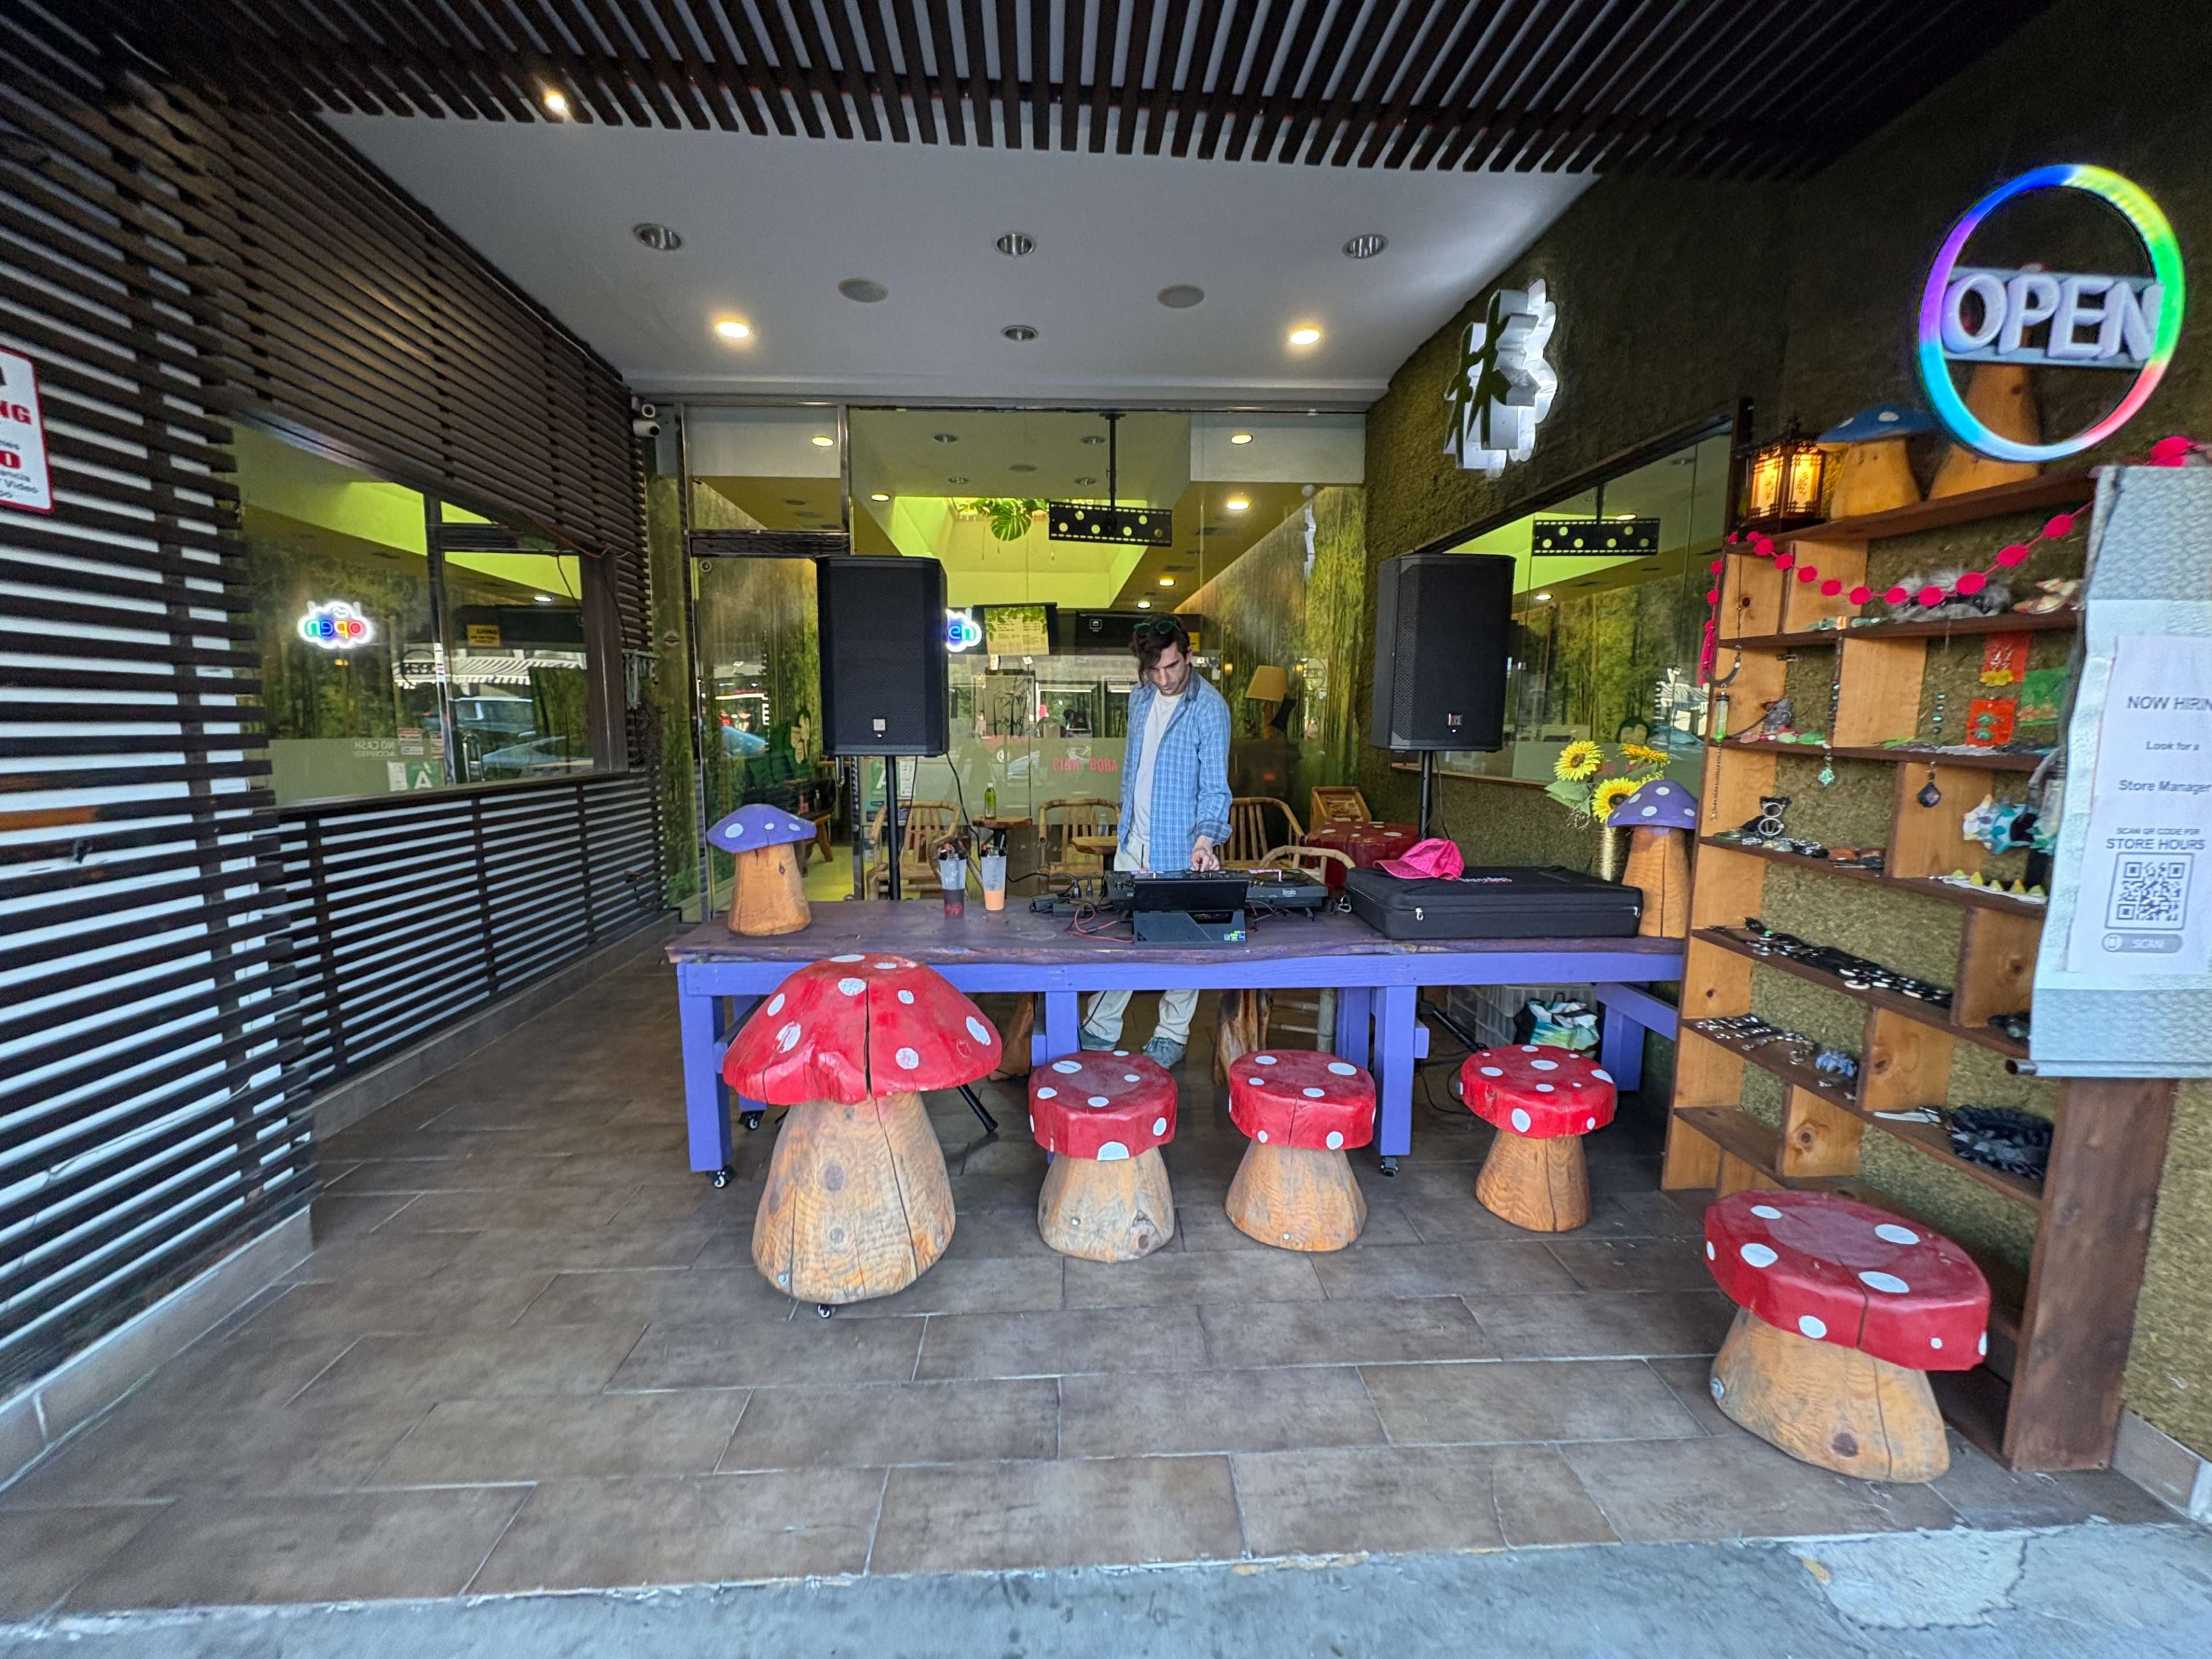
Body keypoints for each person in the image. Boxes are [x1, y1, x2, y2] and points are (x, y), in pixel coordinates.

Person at [1079, 616, 1232, 1067]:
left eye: (1171, 667)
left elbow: (1216, 787)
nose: (1164, 679)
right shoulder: (1141, 698)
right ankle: (1101, 1026)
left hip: (1181, 846)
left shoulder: (1209, 708)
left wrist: (1207, 840)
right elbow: (1134, 766)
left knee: (1184, 943)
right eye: (1154, 670)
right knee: (1122, 934)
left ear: (1188, 655)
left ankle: (1173, 1032)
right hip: (1133, 840)